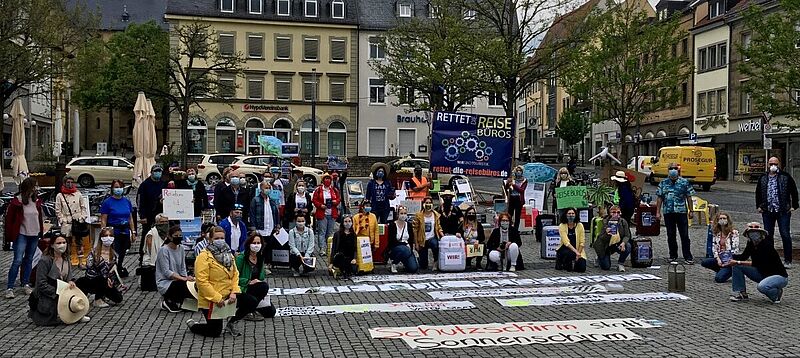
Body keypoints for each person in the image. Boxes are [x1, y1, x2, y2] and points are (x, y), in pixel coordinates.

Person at [186, 226, 250, 337]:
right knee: (215, 331)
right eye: (216, 238)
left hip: (228, 294)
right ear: (210, 239)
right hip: (211, 298)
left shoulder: (229, 254)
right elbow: (202, 281)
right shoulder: (203, 257)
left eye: (222, 238)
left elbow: (235, 274)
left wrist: (234, 292)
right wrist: (217, 298)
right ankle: (194, 326)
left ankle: (232, 322)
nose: (220, 240)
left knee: (251, 301)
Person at [29, 233, 90, 325]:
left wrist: (71, 281)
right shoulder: (45, 261)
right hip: (49, 293)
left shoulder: (66, 258)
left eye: (64, 242)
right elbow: (41, 283)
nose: (62, 245)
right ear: (52, 245)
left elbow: (69, 277)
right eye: (59, 243)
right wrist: (58, 292)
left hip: (62, 289)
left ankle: (75, 313)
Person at [728, 223, 789, 303]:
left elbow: (757, 263)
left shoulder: (766, 245)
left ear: (761, 232)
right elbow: (743, 256)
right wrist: (728, 257)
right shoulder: (751, 243)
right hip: (762, 273)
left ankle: (776, 294)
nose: (754, 232)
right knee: (737, 266)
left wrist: (738, 262)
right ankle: (741, 293)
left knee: (761, 287)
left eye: (756, 228)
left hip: (778, 276)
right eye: (751, 229)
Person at [755, 156, 799, 268]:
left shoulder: (785, 176)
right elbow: (758, 192)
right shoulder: (763, 177)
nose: (773, 166)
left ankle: (788, 260)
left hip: (783, 211)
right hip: (768, 210)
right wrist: (759, 206)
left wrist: (794, 206)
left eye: (775, 164)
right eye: (771, 164)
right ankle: (770, 259)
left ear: (779, 164)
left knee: (785, 234)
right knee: (768, 236)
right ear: (767, 164)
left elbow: (794, 191)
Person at [4, 177, 43, 299]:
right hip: (21, 233)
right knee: (18, 260)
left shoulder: (36, 200)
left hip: (34, 233)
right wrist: (9, 236)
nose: (37, 188)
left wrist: (41, 231)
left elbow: (39, 217)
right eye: (35, 186)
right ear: (29, 187)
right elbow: (9, 220)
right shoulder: (17, 201)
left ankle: (25, 283)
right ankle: (10, 287)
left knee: (29, 259)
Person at [656, 162, 696, 264]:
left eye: (675, 168)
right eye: (671, 168)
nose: (673, 170)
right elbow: (659, 198)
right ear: (668, 170)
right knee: (671, 235)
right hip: (668, 212)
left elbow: (689, 197)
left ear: (678, 170)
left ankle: (688, 257)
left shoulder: (684, 182)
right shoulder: (663, 183)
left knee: (684, 235)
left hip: (681, 211)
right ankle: (673, 255)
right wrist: (658, 212)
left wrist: (691, 210)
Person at [76, 227, 124, 308]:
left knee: (118, 298)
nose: (108, 238)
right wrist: (105, 278)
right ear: (101, 238)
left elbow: (112, 272)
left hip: (106, 281)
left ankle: (103, 294)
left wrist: (112, 280)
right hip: (92, 281)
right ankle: (97, 300)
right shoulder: (94, 253)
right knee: (101, 279)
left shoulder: (114, 255)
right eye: (106, 236)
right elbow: (89, 270)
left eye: (110, 235)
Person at [234, 232, 277, 321]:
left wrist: (258, 280)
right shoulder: (241, 258)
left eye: (258, 243)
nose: (256, 245)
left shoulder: (260, 257)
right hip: (243, 288)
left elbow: (261, 277)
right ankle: (246, 311)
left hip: (256, 290)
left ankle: (252, 308)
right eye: (254, 243)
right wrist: (248, 281)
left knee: (271, 312)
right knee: (264, 286)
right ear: (249, 244)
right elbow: (234, 277)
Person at [100, 180, 136, 277]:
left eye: (120, 187)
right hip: (113, 230)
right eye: (116, 187)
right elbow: (103, 219)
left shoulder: (127, 201)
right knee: (114, 251)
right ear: (112, 188)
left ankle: (119, 266)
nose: (118, 189)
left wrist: (133, 231)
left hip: (125, 230)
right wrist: (104, 232)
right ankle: (112, 268)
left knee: (123, 251)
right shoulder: (107, 203)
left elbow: (130, 218)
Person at [157, 226, 195, 313]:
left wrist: (187, 278)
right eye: (176, 236)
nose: (178, 237)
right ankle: (168, 300)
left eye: (180, 235)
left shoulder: (181, 248)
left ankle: (185, 303)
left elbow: (182, 267)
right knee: (181, 285)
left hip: (178, 279)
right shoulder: (164, 250)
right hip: (165, 282)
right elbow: (166, 272)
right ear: (170, 237)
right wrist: (183, 279)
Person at [54, 175, 89, 269]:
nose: (70, 184)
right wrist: (62, 220)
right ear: (64, 183)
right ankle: (67, 262)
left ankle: (81, 262)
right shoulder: (60, 196)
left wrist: (82, 217)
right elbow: (58, 210)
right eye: (68, 182)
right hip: (67, 223)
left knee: (79, 242)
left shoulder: (78, 194)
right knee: (66, 243)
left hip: (78, 221)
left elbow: (83, 207)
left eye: (71, 182)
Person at [137, 164, 165, 264]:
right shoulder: (144, 185)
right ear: (151, 172)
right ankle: (142, 255)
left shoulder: (163, 184)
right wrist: (142, 216)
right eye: (155, 171)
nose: (158, 173)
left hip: (160, 214)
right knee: (146, 234)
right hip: (148, 215)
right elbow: (140, 201)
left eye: (159, 171)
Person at [701, 212, 739, 283]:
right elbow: (714, 248)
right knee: (704, 262)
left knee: (718, 279)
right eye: (720, 218)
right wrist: (718, 259)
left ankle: (730, 271)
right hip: (720, 257)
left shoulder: (734, 233)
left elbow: (735, 249)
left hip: (729, 260)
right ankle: (720, 270)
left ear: (728, 220)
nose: (722, 220)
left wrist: (728, 262)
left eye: (724, 218)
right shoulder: (716, 233)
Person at [592, 205, 631, 272]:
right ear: (610, 213)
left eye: (618, 212)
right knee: (606, 267)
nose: (616, 214)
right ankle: (599, 257)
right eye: (613, 212)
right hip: (605, 246)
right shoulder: (605, 222)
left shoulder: (623, 221)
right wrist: (606, 233)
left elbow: (627, 235)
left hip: (617, 243)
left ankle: (620, 263)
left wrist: (623, 243)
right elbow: (601, 239)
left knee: (628, 246)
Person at [312, 173, 341, 256]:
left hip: (332, 214)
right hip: (322, 213)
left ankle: (329, 248)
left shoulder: (334, 190)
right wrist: (320, 205)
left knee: (330, 232)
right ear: (323, 180)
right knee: (322, 232)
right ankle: (322, 248)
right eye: (326, 178)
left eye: (329, 179)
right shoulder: (318, 190)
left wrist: (335, 201)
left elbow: (338, 198)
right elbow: (314, 200)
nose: (327, 180)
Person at [413, 197, 444, 271]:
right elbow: (415, 230)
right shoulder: (418, 215)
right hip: (422, 240)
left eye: (430, 203)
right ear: (423, 204)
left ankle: (435, 262)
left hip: (432, 238)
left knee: (435, 244)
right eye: (426, 203)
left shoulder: (436, 215)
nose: (428, 204)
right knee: (423, 266)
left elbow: (438, 227)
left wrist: (443, 236)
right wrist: (416, 243)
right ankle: (420, 259)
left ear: (432, 204)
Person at [387, 206, 419, 274]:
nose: (403, 215)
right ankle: (394, 264)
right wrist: (404, 245)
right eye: (401, 213)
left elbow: (411, 239)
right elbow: (391, 241)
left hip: (407, 249)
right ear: (397, 214)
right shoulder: (392, 225)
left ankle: (405, 262)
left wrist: (411, 249)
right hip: (395, 248)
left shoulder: (409, 225)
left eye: (405, 213)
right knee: (404, 249)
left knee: (413, 268)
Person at [555, 208, 587, 273]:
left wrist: (578, 253)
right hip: (565, 249)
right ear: (566, 215)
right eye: (569, 213)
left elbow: (582, 242)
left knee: (582, 268)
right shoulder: (562, 226)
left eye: (573, 213)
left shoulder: (580, 225)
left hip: (577, 249)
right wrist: (576, 252)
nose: (571, 215)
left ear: (575, 215)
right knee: (569, 263)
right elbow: (566, 242)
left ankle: (574, 263)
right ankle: (561, 262)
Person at [456, 206, 486, 270]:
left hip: (475, 245)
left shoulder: (478, 225)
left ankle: (478, 263)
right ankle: (467, 262)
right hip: (466, 245)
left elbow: (482, 237)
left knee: (483, 245)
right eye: (469, 213)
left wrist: (478, 240)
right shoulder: (462, 224)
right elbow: (457, 232)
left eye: (473, 213)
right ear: (466, 214)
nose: (471, 215)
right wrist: (458, 234)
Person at [504, 166, 527, 230]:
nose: (518, 172)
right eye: (517, 171)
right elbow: (506, 189)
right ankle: (509, 227)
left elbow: (521, 190)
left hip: (519, 199)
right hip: (512, 198)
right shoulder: (512, 179)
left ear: (522, 172)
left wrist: (514, 185)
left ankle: (516, 229)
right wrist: (507, 183)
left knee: (517, 215)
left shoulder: (524, 180)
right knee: (509, 214)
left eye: (520, 171)